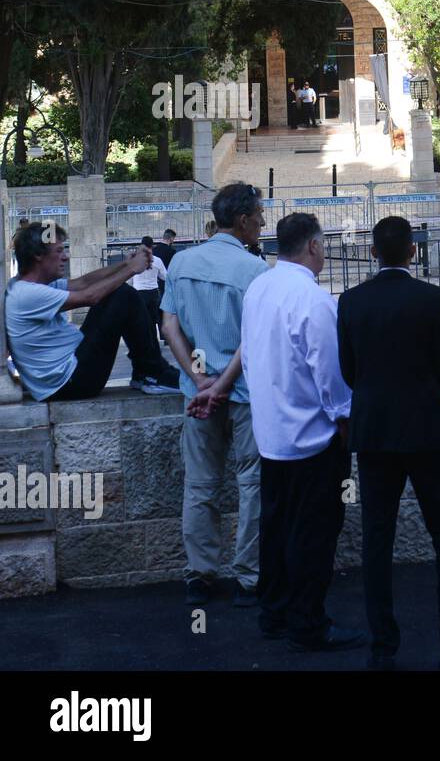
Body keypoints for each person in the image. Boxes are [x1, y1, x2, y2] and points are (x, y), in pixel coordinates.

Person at [337, 216, 440, 671]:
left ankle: (384, 648)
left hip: (375, 432)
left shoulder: (352, 302)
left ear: (373, 253)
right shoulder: (433, 300)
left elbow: (349, 370)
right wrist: (425, 396)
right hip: (425, 428)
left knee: (378, 539)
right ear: (413, 251)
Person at [235, 213, 362, 651]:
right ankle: (309, 623)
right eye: (323, 245)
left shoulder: (258, 289)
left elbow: (248, 357)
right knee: (314, 534)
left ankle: (274, 613)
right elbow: (330, 374)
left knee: (276, 528)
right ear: (311, 246)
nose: (325, 252)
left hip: (271, 434)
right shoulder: (315, 301)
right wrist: (344, 421)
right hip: (313, 438)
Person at [160, 184, 270, 607]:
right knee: (252, 485)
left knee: (201, 485)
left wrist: (199, 379)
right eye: (259, 215)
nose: (262, 222)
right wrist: (222, 385)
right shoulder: (255, 271)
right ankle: (249, 575)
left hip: (197, 393)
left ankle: (200, 575)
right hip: (243, 393)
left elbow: (169, 326)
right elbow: (251, 340)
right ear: (242, 220)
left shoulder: (182, 262)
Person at [5, 223, 181, 400]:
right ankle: (153, 372)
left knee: (117, 292)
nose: (65, 257)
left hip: (72, 370)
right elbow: (89, 296)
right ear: (38, 255)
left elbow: (82, 283)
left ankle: (147, 371)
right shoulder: (26, 294)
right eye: (59, 251)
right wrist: (131, 269)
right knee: (122, 295)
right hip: (72, 382)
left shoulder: (31, 285)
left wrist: (125, 263)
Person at [129, 236, 168, 340]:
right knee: (153, 320)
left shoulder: (134, 260)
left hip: (139, 292)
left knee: (141, 319)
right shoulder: (157, 260)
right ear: (152, 246)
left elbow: (130, 277)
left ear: (141, 245)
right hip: (153, 293)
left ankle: (143, 341)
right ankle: (154, 341)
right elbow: (165, 276)